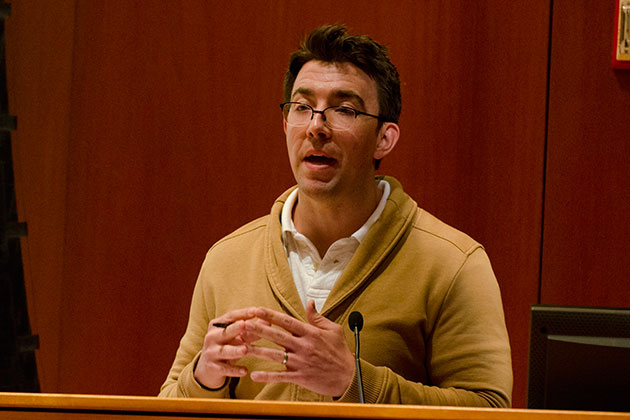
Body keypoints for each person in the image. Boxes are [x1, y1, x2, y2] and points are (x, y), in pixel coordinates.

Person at [159, 24, 512, 406]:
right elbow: (165, 407)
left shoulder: (453, 264)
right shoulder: (226, 260)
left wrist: (354, 381)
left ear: (384, 138)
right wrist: (204, 377)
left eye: (343, 109)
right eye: (302, 107)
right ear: (285, 124)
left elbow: (488, 409)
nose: (316, 127)